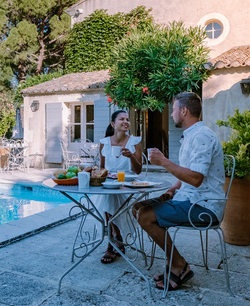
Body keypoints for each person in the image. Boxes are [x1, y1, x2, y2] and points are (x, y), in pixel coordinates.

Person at [133, 92, 225, 290]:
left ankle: (178, 265)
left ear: (184, 111)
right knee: (138, 207)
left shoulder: (201, 136)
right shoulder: (191, 135)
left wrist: (164, 162)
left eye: (174, 109)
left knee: (145, 215)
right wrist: (172, 190)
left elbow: (196, 178)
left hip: (204, 206)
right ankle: (173, 261)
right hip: (190, 200)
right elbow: (187, 175)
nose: (172, 113)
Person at [96, 110, 143, 264]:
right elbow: (102, 169)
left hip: (129, 186)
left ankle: (112, 242)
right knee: (108, 194)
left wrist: (131, 157)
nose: (126, 122)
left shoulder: (134, 142)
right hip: (110, 184)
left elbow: (138, 171)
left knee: (109, 197)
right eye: (122, 119)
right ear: (113, 124)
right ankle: (116, 239)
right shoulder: (104, 143)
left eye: (127, 119)